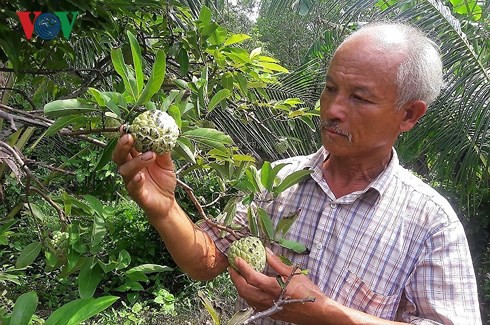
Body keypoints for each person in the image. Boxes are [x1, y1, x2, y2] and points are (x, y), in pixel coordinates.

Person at [112, 22, 482, 324]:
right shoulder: (277, 181)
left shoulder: (431, 223)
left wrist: (325, 313)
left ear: (409, 115)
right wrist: (164, 208)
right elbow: (208, 261)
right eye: (330, 88)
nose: (333, 109)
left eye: (360, 97)